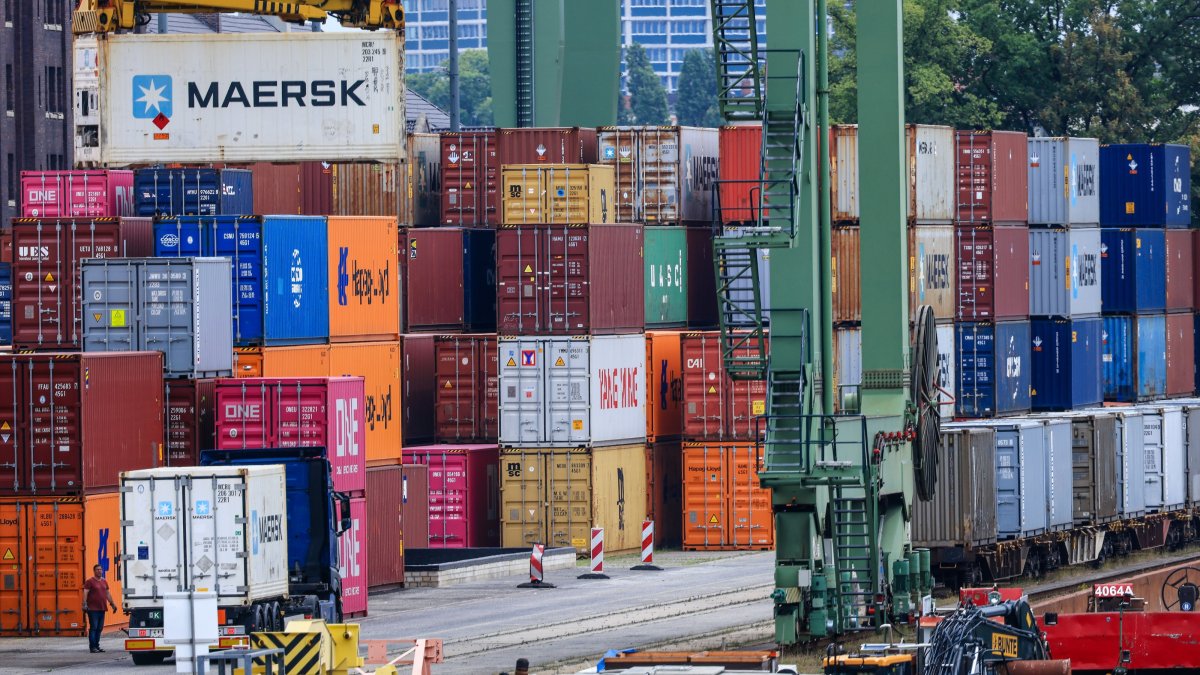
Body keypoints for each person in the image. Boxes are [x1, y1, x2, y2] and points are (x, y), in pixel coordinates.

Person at [81, 564, 117, 653]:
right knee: (94, 628)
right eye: (97, 569)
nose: (99, 571)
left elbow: (107, 594)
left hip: (102, 608)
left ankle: (97, 646)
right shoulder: (90, 581)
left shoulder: (104, 581)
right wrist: (84, 604)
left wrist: (112, 604)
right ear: (94, 571)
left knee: (99, 628)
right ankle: (92, 647)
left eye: (100, 569)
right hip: (92, 609)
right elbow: (85, 592)